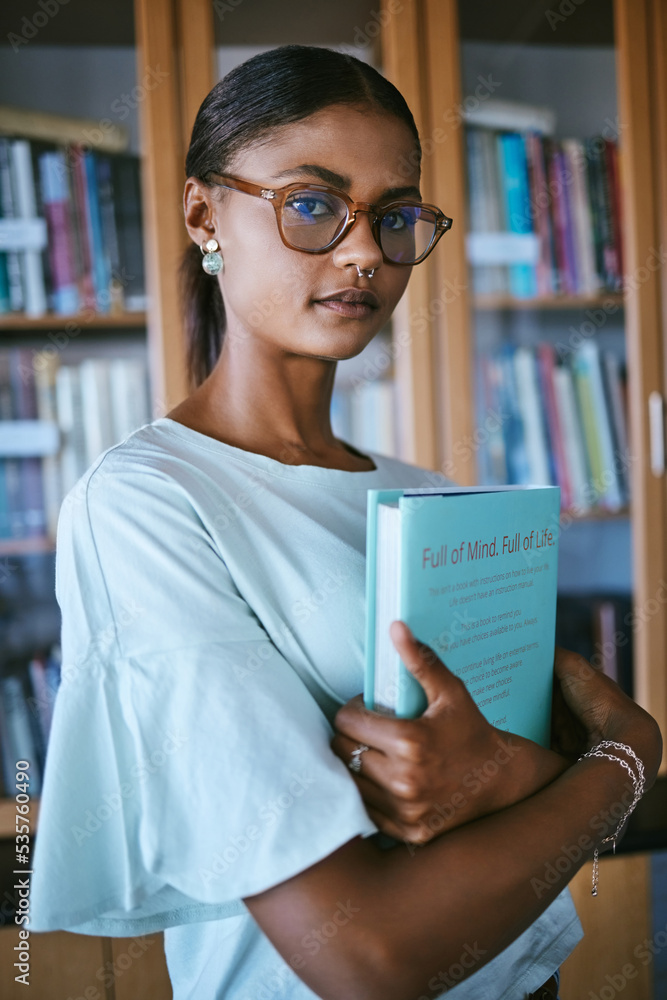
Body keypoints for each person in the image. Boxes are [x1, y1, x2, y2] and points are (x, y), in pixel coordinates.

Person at [29, 45, 661, 1000]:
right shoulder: (146, 504)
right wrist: (628, 759)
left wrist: (513, 774)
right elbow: (367, 955)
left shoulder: (429, 498)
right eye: (312, 203)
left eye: (393, 214)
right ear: (205, 214)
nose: (365, 251)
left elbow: (502, 770)